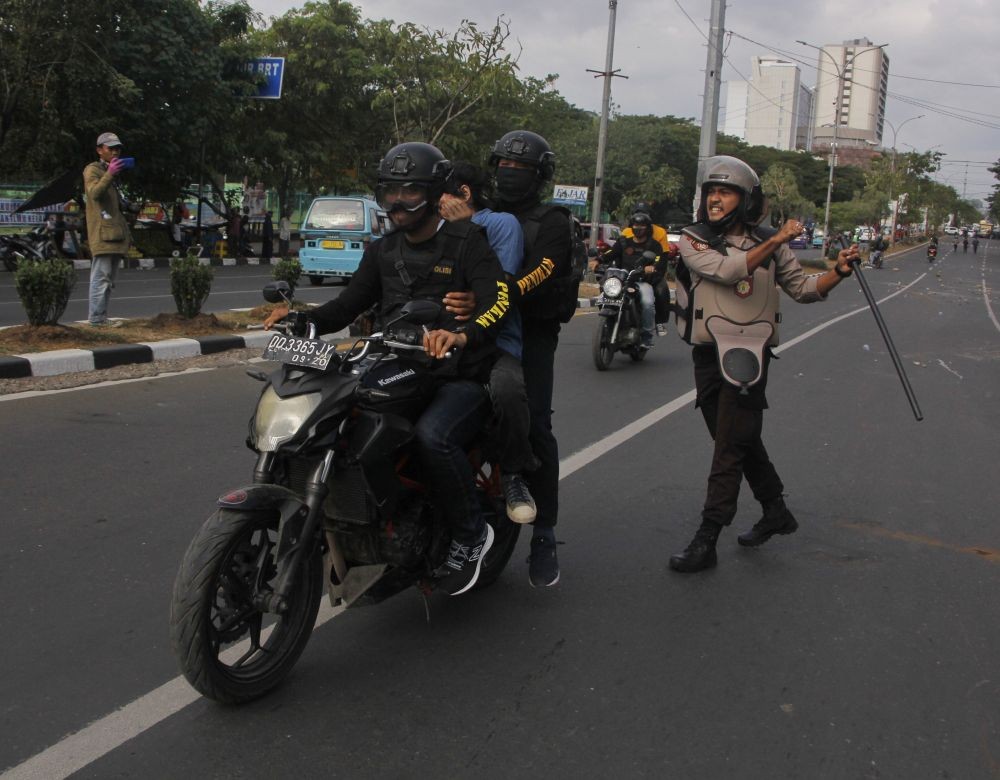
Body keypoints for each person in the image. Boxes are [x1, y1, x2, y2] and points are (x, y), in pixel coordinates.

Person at [264, 141, 510, 596]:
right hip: (396, 362)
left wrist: (461, 333)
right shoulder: (382, 250)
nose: (397, 202)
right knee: (338, 419)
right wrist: (303, 319)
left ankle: (472, 534)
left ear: (434, 192)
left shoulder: (466, 241)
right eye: (390, 192)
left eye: (410, 191)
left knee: (433, 437)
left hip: (458, 372)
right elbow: (346, 305)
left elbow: (497, 300)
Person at [667, 155, 861, 573]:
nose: (716, 199)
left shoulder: (771, 244)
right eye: (711, 192)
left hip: (749, 354)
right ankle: (776, 511)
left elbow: (805, 289)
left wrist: (838, 272)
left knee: (728, 446)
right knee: (737, 438)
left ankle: (708, 535)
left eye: (726, 192)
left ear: (747, 199)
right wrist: (774, 242)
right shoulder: (694, 238)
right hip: (708, 352)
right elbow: (722, 271)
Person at [490, 130, 574, 587]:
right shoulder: (482, 212)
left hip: (533, 333)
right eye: (504, 165)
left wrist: (498, 297)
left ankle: (544, 533)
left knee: (536, 424)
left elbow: (541, 274)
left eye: (521, 168)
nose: (510, 174)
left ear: (539, 176)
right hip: (480, 330)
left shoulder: (553, 221)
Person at [438, 161, 539, 525]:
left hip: (494, 342)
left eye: (442, 193)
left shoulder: (499, 224)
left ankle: (513, 474)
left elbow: (498, 287)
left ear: (464, 194)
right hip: (438, 340)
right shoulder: (431, 228)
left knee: (508, 390)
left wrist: (462, 225)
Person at [593, 211, 667, 348]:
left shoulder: (654, 245)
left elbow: (660, 261)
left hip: (641, 281)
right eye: (636, 225)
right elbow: (610, 253)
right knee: (604, 295)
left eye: (642, 226)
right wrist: (598, 260)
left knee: (648, 302)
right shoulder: (623, 242)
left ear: (648, 228)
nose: (638, 228)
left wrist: (652, 268)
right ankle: (610, 324)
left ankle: (647, 336)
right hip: (622, 280)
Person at [83, 132, 132, 327]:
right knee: (101, 277)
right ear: (99, 150)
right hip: (102, 233)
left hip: (115, 232)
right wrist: (109, 174)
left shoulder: (112, 174)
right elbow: (94, 193)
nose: (115, 152)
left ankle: (101, 316)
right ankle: (96, 319)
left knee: (109, 280)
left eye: (117, 149)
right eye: (110, 148)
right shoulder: (93, 170)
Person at [620, 201, 674, 335]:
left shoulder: (660, 233)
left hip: (650, 272)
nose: (639, 226)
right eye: (636, 219)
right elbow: (618, 251)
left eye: (643, 220)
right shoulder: (626, 232)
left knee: (661, 292)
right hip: (629, 272)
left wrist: (655, 270)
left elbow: (663, 256)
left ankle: (660, 322)